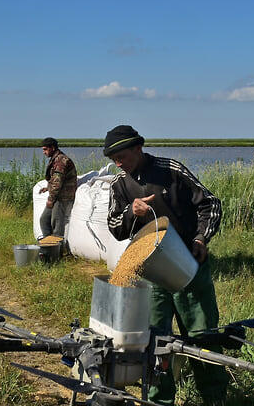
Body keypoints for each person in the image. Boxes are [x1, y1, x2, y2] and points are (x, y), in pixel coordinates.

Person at [103, 125, 228, 406]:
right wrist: (129, 212)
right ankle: (159, 400)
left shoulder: (171, 171)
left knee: (202, 336)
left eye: (121, 156)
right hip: (150, 274)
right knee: (154, 341)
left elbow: (210, 204)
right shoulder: (119, 185)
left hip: (189, 267)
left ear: (138, 148)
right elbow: (114, 228)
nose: (118, 163)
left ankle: (214, 398)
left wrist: (200, 238)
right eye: (113, 159)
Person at [37, 137, 77, 239]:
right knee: (44, 220)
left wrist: (51, 199)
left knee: (57, 224)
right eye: (43, 149)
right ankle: (48, 245)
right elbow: (55, 179)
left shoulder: (61, 161)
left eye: (45, 149)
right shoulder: (56, 159)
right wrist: (48, 188)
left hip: (62, 197)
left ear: (53, 148)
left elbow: (57, 182)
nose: (44, 152)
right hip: (58, 194)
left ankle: (56, 250)